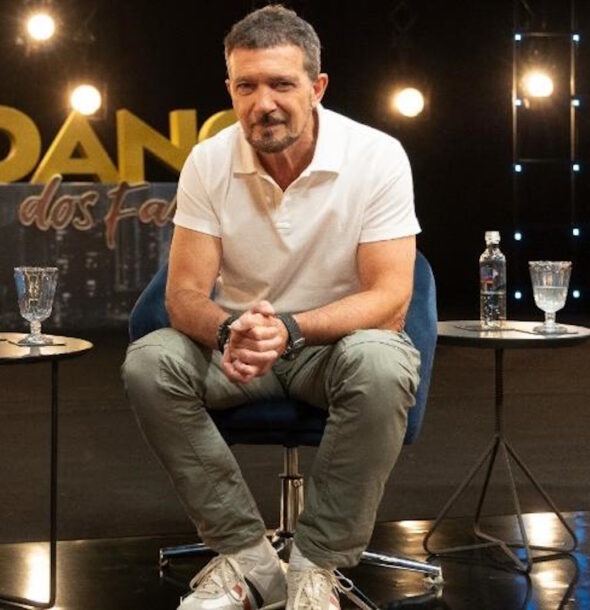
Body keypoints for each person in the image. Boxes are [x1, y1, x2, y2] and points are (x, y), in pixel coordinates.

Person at [122, 5, 421, 610]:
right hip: (241, 350)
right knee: (150, 362)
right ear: (230, 89)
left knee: (382, 362)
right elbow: (182, 295)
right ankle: (248, 559)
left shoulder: (377, 156)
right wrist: (231, 329)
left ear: (317, 87)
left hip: (333, 348)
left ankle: (316, 566)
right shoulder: (209, 160)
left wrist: (290, 329)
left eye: (282, 84)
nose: (264, 104)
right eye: (247, 86)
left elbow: (390, 299)